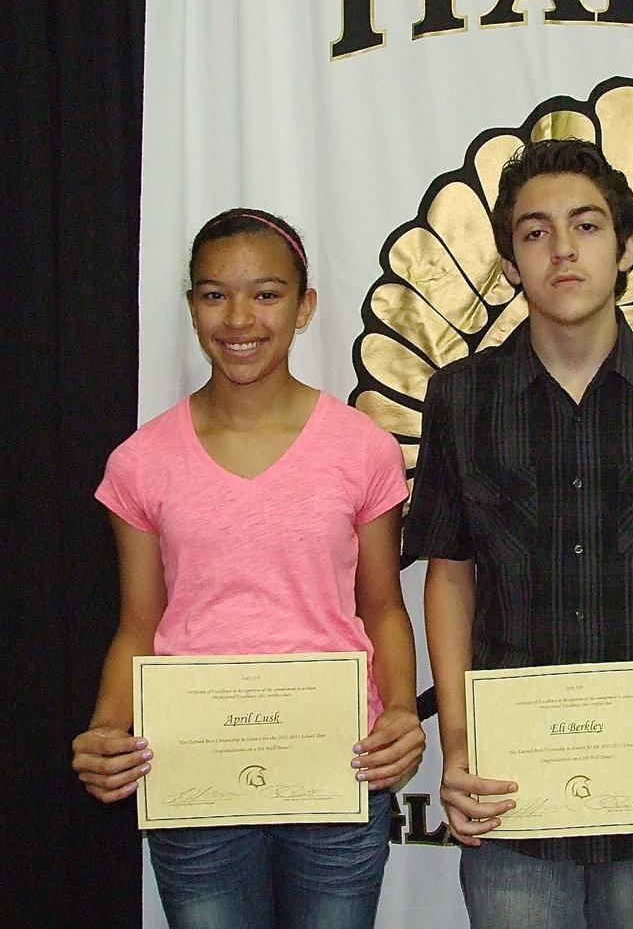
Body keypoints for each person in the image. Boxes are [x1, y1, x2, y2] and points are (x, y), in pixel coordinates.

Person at [404, 138, 633, 928]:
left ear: (627, 248)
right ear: (509, 264)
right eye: (535, 232)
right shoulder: (461, 397)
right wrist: (458, 745)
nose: (562, 249)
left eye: (587, 226)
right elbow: (450, 576)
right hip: (508, 789)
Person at [71, 208, 425, 929]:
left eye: (266, 294)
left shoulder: (361, 448)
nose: (239, 319)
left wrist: (398, 712)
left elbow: (383, 606)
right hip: (193, 774)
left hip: (339, 765)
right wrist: (108, 728)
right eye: (214, 295)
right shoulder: (141, 462)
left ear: (305, 306)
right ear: (191, 305)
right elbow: (139, 624)